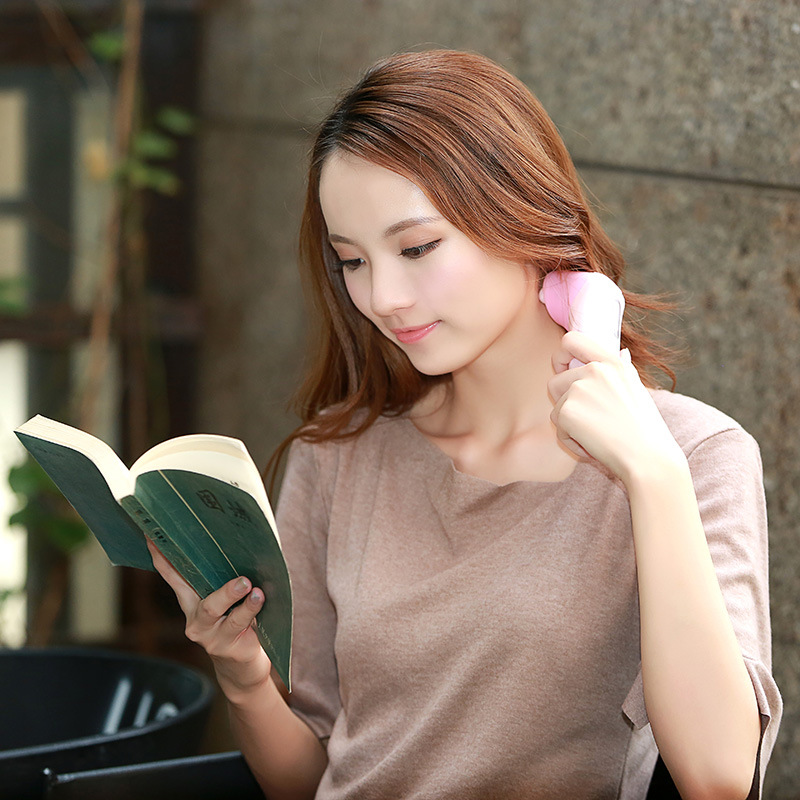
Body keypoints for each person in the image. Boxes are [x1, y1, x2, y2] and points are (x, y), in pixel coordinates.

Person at [148, 50, 782, 799]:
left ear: (523, 213)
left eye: (417, 249)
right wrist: (244, 672)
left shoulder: (695, 458)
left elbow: (719, 778)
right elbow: (310, 779)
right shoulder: (340, 455)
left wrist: (652, 476)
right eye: (351, 260)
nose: (383, 297)